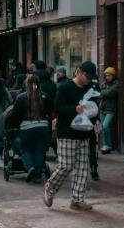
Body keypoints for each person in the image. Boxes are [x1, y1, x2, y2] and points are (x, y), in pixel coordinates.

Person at [43, 61, 96, 211]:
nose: (88, 80)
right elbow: (58, 107)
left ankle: (77, 200)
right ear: (79, 72)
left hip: (84, 133)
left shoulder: (89, 89)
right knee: (66, 165)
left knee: (82, 169)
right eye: (87, 76)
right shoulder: (65, 87)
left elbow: (92, 106)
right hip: (67, 133)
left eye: (91, 77)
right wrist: (75, 109)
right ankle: (50, 187)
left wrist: (94, 116)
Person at [8, 75, 52, 182]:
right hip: (43, 127)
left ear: (26, 84)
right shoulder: (45, 96)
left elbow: (14, 115)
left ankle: (30, 168)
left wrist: (12, 126)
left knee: (25, 149)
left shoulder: (22, 97)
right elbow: (49, 111)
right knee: (40, 150)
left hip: (27, 128)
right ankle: (37, 174)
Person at [99, 67, 119, 154]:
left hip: (111, 108)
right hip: (103, 108)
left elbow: (110, 93)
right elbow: (99, 93)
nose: (107, 77)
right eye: (106, 75)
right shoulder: (104, 83)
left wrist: (102, 92)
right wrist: (103, 93)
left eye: (109, 75)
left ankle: (108, 145)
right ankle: (106, 146)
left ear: (113, 75)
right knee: (103, 128)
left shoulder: (116, 83)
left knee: (105, 126)